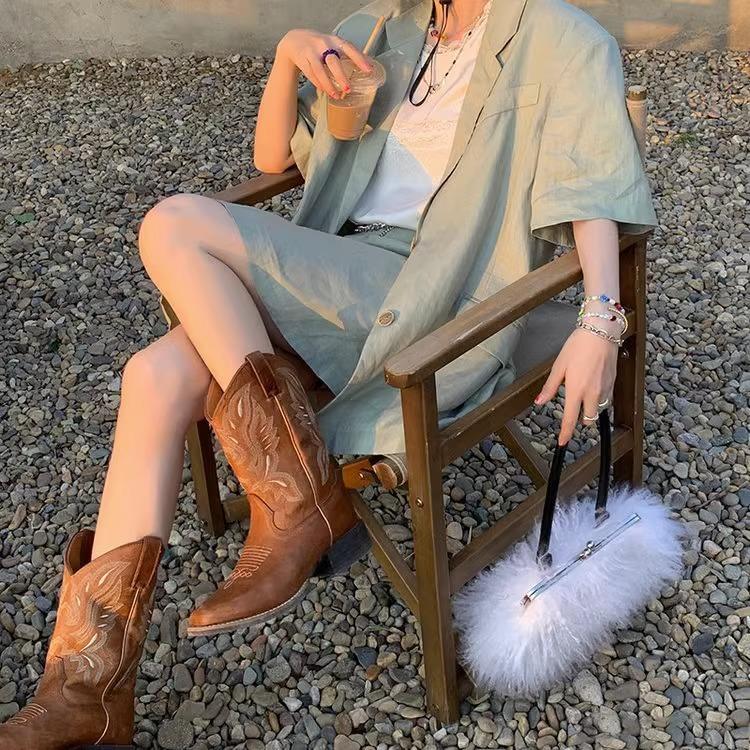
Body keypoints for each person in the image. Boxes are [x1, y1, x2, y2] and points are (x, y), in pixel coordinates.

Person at [0, 0, 657, 746]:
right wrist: (287, 56)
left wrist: (600, 318)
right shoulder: (378, 30)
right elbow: (272, 161)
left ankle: (300, 500)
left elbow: (592, 188)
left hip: (435, 292)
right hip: (333, 273)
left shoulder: (560, 37)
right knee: (152, 373)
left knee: (173, 223)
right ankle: (85, 690)